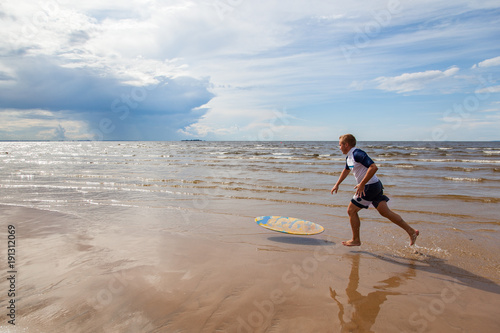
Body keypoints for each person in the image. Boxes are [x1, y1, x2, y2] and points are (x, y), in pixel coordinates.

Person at [330, 134, 419, 247]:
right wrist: (337, 184)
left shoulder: (357, 153)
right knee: (385, 212)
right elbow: (346, 170)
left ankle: (356, 239)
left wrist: (362, 184)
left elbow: (373, 167)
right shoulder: (349, 157)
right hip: (375, 185)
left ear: (346, 145)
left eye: (340, 145)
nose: (339, 147)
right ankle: (411, 231)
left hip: (369, 187)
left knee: (351, 211)